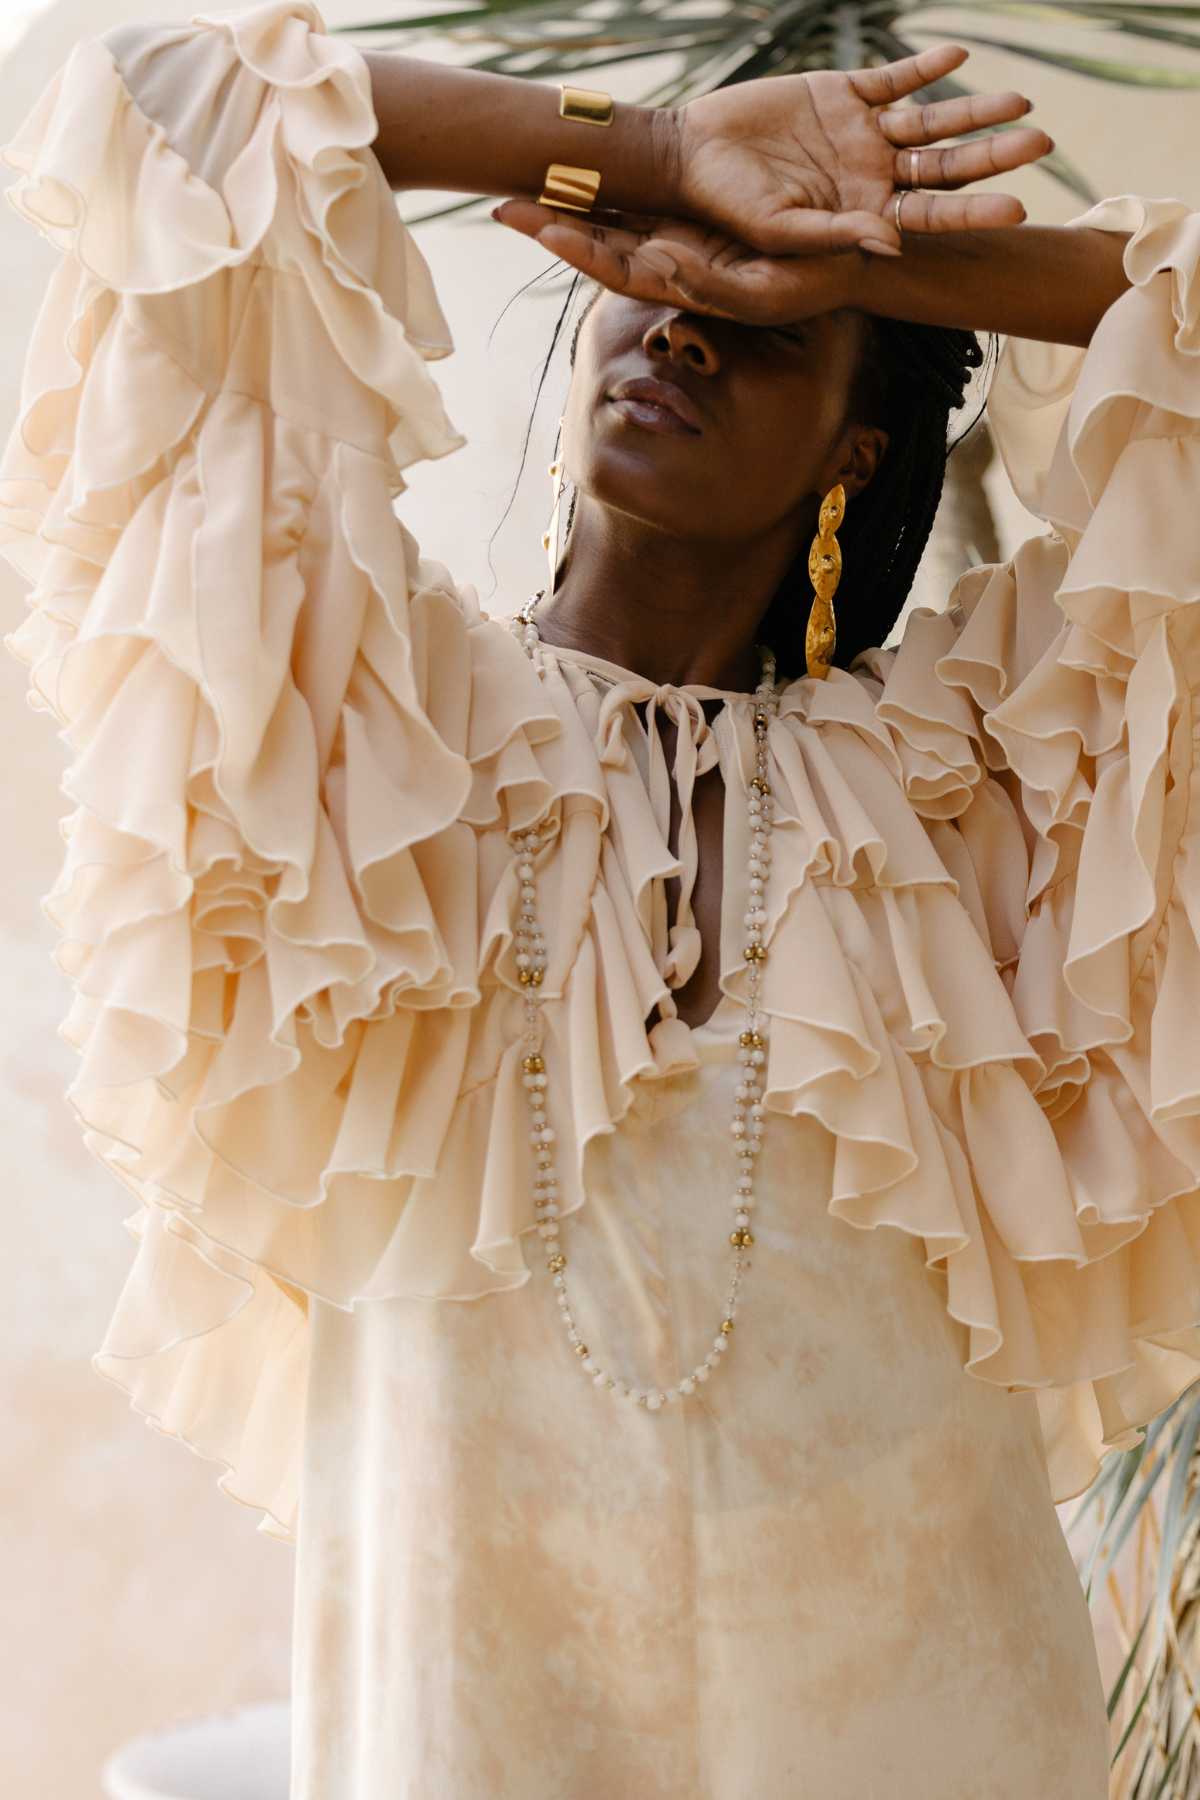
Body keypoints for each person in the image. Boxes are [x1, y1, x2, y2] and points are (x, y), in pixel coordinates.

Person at [2, 2, 1198, 1793]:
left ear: (857, 450)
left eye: (764, 333)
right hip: (473, 1709)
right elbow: (153, 101)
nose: (689, 335)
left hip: (930, 1715)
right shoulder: (371, 747)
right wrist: (650, 160)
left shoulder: (968, 808)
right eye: (665, 290)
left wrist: (860, 268)